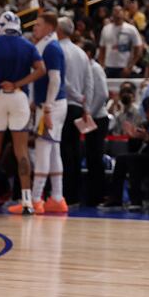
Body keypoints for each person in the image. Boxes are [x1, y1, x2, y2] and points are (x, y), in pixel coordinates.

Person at [0, 11, 45, 216]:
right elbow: (41, 69)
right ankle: (27, 201)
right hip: (19, 98)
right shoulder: (28, 45)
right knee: (21, 151)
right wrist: (18, 83)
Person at [27, 12, 69, 215]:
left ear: (50, 27)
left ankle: (36, 199)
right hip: (54, 103)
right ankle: (57, 197)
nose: (35, 28)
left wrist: (47, 108)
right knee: (53, 150)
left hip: (52, 105)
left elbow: (55, 80)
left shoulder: (51, 48)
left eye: (39, 25)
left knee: (43, 148)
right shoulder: (49, 45)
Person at [57, 18, 92, 206]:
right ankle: (74, 195)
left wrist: (78, 97)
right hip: (79, 107)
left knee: (64, 150)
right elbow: (89, 82)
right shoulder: (81, 53)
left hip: (66, 103)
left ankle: (64, 194)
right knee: (75, 151)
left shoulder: (59, 50)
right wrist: (85, 106)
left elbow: (62, 80)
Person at [98, 5, 143, 78]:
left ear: (123, 13)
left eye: (119, 11)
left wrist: (130, 67)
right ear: (112, 14)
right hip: (109, 66)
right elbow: (102, 49)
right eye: (115, 11)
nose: (117, 14)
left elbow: (138, 49)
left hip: (124, 66)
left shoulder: (131, 29)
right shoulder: (106, 29)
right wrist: (102, 66)